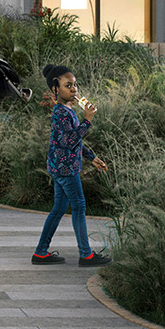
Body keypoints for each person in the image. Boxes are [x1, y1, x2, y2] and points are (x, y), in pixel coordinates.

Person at [31, 64, 111, 267]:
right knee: (79, 206)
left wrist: (91, 157)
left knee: (59, 208)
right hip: (66, 170)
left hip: (60, 167)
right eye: (68, 86)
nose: (74, 89)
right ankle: (86, 255)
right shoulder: (61, 113)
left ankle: (41, 253)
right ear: (55, 89)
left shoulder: (66, 111)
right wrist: (87, 121)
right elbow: (69, 141)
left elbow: (70, 142)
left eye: (75, 85)